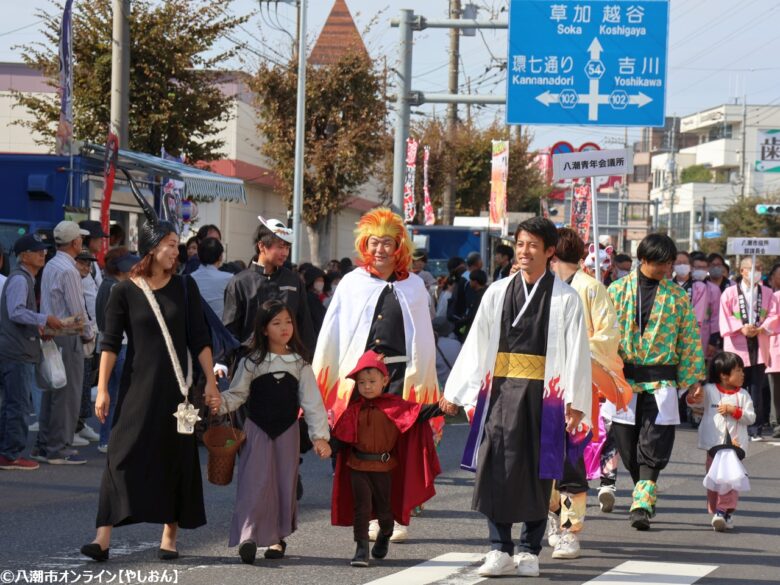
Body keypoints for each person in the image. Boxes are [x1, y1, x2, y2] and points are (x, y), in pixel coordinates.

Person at [441, 217, 592, 578]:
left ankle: (529, 549)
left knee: (541, 469)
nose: (524, 252)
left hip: (546, 395)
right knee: (496, 466)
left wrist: (575, 401)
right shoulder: (497, 292)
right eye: (521, 244)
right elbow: (478, 341)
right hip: (501, 391)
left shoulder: (565, 298)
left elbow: (576, 352)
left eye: (533, 246)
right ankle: (499, 546)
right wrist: (458, 390)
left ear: (550, 251)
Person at [81, 186, 220, 562]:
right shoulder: (125, 291)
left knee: (174, 458)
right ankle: (102, 536)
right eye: (170, 244)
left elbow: (200, 338)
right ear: (151, 248)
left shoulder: (186, 287)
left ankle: (169, 536)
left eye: (178, 245)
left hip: (178, 390)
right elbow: (109, 342)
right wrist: (101, 389)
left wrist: (209, 382)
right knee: (119, 456)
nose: (177, 251)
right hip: (137, 387)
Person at [313, 208, 441, 543]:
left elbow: (423, 338)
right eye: (374, 242)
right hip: (362, 377)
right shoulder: (353, 283)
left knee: (399, 446)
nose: (381, 249)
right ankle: (370, 512)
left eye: (388, 242)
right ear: (364, 245)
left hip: (401, 375)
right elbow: (335, 333)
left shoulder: (414, 286)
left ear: (400, 246)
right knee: (363, 447)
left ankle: (397, 514)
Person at [210, 300, 330, 564]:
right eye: (276, 323)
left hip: (288, 431)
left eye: (288, 322)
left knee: (283, 484)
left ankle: (276, 538)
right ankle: (248, 537)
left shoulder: (300, 364)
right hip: (256, 429)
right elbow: (238, 394)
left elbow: (312, 403)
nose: (284, 327)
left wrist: (319, 436)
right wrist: (219, 403)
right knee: (254, 483)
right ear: (264, 329)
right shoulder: (252, 362)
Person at [608, 233, 705, 530]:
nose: (668, 270)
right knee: (627, 447)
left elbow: (688, 339)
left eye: (671, 264)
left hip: (661, 380)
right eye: (663, 264)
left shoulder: (676, 296)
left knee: (655, 442)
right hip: (624, 380)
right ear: (644, 260)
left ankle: (642, 504)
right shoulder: (616, 291)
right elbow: (602, 335)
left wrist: (694, 380)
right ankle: (643, 491)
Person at [547, 228, 631, 559]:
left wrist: (576, 349)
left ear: (552, 252)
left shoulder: (591, 288)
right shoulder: (539, 286)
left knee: (570, 459)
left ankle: (569, 529)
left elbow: (608, 337)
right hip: (544, 386)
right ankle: (554, 517)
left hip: (578, 386)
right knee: (544, 459)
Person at [331, 350, 443, 567]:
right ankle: (361, 549)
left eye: (372, 381)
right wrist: (327, 447)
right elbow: (341, 439)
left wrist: (444, 405)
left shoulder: (395, 406)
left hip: (384, 467)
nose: (367, 386)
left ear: (385, 381)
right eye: (362, 382)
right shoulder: (353, 411)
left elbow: (419, 413)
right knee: (361, 508)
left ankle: (386, 531)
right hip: (358, 466)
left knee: (384, 509)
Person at [0, 234, 63, 471]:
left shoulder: (24, 278)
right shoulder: (20, 279)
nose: (42, 254)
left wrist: (38, 327)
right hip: (16, 351)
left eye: (44, 251)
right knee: (17, 405)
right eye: (37, 251)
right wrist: (43, 318)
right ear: (24, 256)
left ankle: (7, 452)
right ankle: (11, 455)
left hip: (15, 348)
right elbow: (15, 312)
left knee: (11, 404)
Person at [33, 221, 93, 465]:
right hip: (68, 334)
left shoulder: (51, 265)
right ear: (75, 242)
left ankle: (44, 444)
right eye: (80, 238)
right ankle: (58, 447)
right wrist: (88, 332)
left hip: (50, 333)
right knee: (68, 394)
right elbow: (77, 309)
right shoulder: (69, 270)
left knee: (52, 390)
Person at [222, 217, 315, 363]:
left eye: (287, 247)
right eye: (280, 247)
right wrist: (222, 362)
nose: (285, 253)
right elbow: (229, 329)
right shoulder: (240, 282)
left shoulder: (294, 280)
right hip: (250, 362)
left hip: (289, 362)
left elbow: (304, 325)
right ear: (261, 246)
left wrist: (309, 359)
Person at [687, 351, 755, 531]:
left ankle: (723, 511)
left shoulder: (743, 395)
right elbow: (694, 404)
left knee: (730, 480)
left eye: (742, 370)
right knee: (715, 480)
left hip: (734, 447)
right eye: (738, 370)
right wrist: (694, 395)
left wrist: (735, 411)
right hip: (714, 447)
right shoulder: (709, 391)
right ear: (724, 375)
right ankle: (720, 510)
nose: (743, 374)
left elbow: (751, 417)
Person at [718, 257, 780, 441]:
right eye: (753, 268)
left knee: (756, 389)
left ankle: (755, 427)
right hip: (737, 345)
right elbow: (726, 316)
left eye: (760, 268)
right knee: (735, 386)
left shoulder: (767, 293)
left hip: (759, 344)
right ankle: (732, 424)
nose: (757, 271)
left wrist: (762, 327)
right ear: (742, 271)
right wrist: (741, 327)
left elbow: (774, 314)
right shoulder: (729, 293)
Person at [94, 248, 139, 453]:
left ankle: (106, 439)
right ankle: (110, 439)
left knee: (111, 395)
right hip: (120, 346)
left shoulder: (106, 284)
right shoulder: (117, 288)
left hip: (109, 345)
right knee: (119, 396)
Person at [73, 248, 101, 447]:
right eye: (82, 262)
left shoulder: (88, 277)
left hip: (92, 334)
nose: (86, 267)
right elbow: (80, 310)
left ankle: (80, 423)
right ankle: (73, 426)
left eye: (88, 263)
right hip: (80, 335)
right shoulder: (72, 279)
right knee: (77, 384)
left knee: (86, 381)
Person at [689, 251, 723, 357]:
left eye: (704, 268)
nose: (701, 270)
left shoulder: (714, 289)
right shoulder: (684, 287)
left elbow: (716, 316)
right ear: (691, 268)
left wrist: (713, 341)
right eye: (697, 267)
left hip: (704, 336)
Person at [190, 238, 232, 320]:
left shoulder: (189, 278)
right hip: (220, 329)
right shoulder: (230, 279)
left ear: (198, 255)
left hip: (195, 329)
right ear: (220, 257)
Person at [303, 267, 327, 335]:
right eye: (318, 280)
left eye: (322, 280)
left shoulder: (314, 297)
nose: (321, 283)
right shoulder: (310, 298)